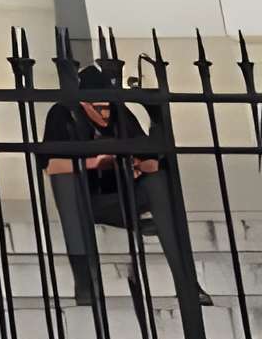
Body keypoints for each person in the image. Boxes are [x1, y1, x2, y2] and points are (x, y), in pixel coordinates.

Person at [41, 64, 210, 310]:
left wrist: (139, 164)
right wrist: (96, 162)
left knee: (158, 180)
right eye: (98, 107)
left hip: (123, 197)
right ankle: (85, 281)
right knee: (65, 179)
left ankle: (187, 284)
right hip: (86, 202)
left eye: (107, 104)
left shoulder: (121, 113)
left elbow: (151, 158)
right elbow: (52, 165)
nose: (105, 112)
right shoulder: (62, 114)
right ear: (84, 104)